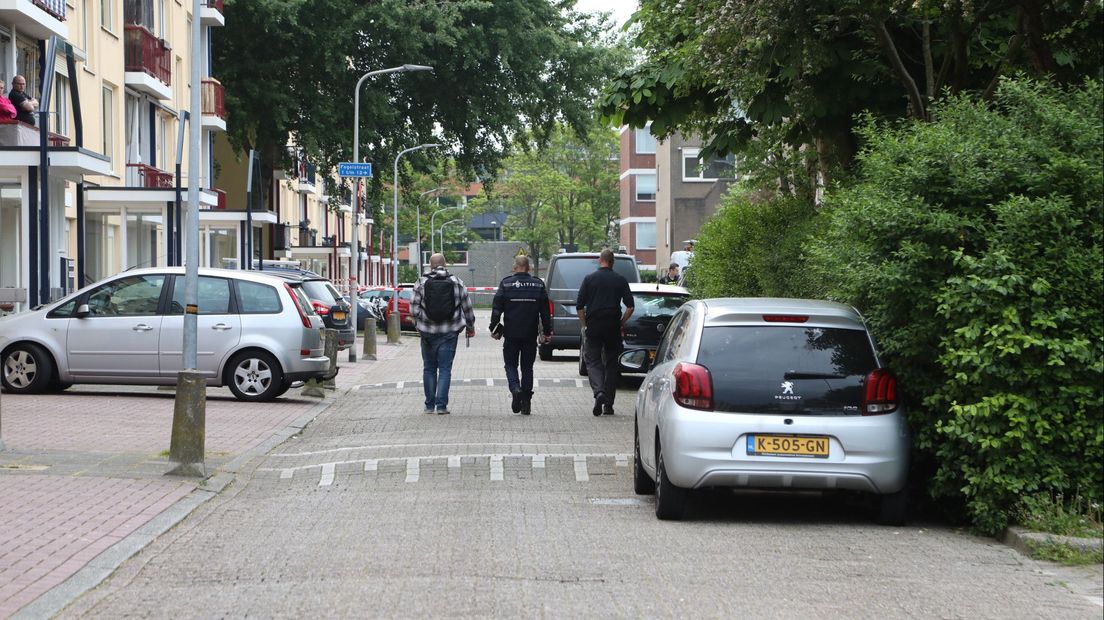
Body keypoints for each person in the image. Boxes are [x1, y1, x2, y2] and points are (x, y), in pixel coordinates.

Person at [410, 253, 476, 415]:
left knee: (429, 368)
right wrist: (470, 326)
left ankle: (429, 406)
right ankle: (441, 406)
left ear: (430, 265)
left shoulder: (421, 282)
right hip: (449, 333)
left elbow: (413, 309)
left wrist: (419, 325)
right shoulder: (457, 282)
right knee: (445, 369)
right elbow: (467, 307)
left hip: (427, 333)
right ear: (445, 265)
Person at [489, 255, 552, 415]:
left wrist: (493, 327)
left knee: (510, 365)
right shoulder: (538, 284)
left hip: (511, 333)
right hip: (529, 334)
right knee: (527, 368)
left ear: (515, 267)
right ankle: (526, 402)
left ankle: (515, 389)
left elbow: (497, 308)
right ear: (529, 268)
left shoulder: (506, 283)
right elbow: (545, 311)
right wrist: (547, 332)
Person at [576, 249, 634, 416]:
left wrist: (585, 324)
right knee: (611, 364)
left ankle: (599, 392)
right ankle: (608, 405)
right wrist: (621, 322)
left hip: (594, 325)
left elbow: (579, 306)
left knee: (593, 361)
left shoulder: (589, 279)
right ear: (612, 262)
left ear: (599, 260)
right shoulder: (620, 280)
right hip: (612, 326)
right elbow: (630, 306)